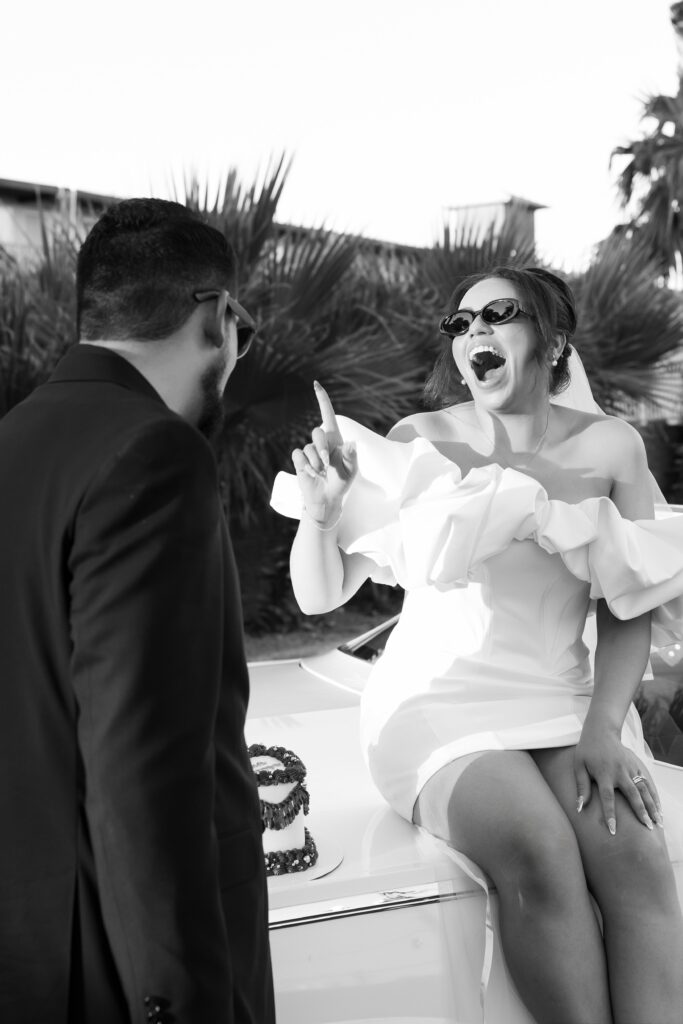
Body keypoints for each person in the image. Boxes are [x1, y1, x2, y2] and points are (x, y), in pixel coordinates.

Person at [276, 266, 683, 1024]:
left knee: (635, 858)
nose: (474, 335)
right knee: (537, 850)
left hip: (561, 700)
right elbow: (318, 595)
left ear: (554, 337)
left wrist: (603, 728)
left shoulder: (612, 447)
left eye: (498, 315)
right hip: (438, 708)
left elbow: (633, 601)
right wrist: (320, 514)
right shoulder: (418, 441)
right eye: (459, 325)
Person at [0, 199, 275, 1023]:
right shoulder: (155, 453)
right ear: (220, 317)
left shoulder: (14, 441)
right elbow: (142, 776)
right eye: (242, 330)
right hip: (117, 975)